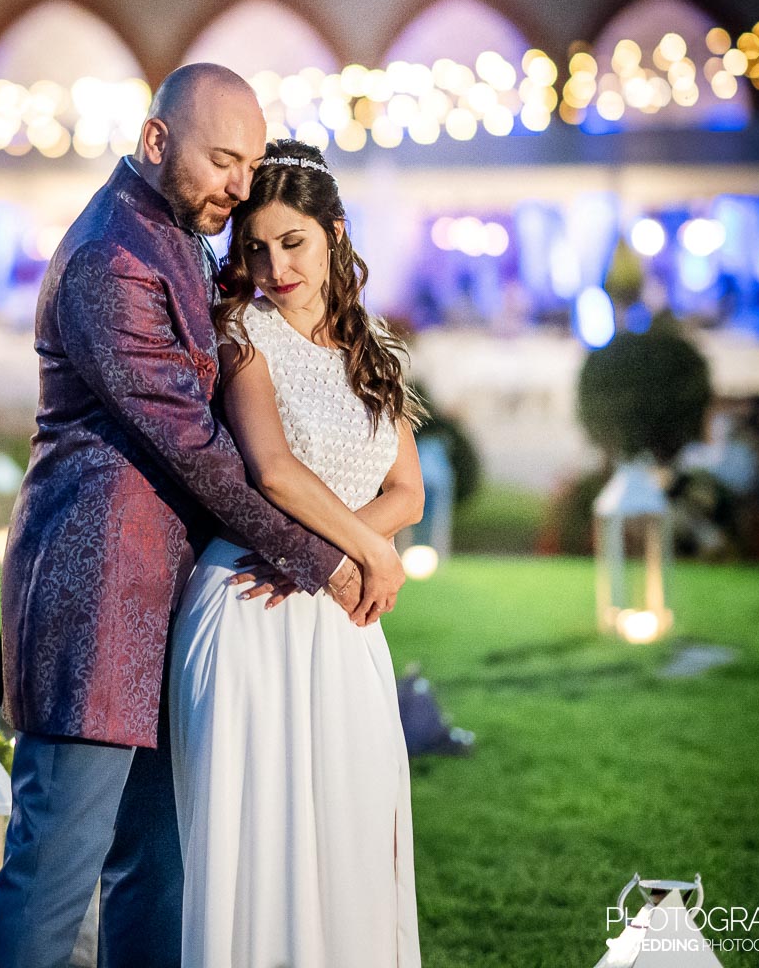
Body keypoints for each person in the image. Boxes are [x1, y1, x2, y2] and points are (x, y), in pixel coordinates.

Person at [0, 66, 380, 968]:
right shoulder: (111, 260)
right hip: (96, 609)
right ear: (157, 141)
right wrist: (324, 558)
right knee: (53, 878)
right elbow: (196, 447)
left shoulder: (180, 235)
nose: (240, 187)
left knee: (154, 874)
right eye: (223, 160)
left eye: (248, 163)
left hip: (168, 613)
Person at [169, 138, 424, 967]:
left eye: (293, 243)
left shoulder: (374, 351)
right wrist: (368, 556)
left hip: (345, 626)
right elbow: (274, 470)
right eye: (256, 248)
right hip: (253, 608)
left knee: (352, 835)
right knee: (261, 851)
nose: (276, 266)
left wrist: (357, 561)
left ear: (335, 234)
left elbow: (408, 493)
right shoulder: (243, 335)